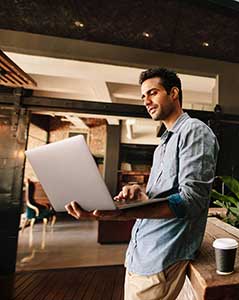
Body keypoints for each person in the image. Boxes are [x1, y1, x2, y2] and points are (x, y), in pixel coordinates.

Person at [66, 67, 219, 300]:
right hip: (141, 254)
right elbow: (162, 198)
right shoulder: (162, 146)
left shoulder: (194, 131)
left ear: (174, 93)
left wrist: (118, 214)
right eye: (143, 97)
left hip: (162, 259)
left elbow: (191, 201)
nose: (146, 101)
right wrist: (140, 196)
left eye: (153, 93)